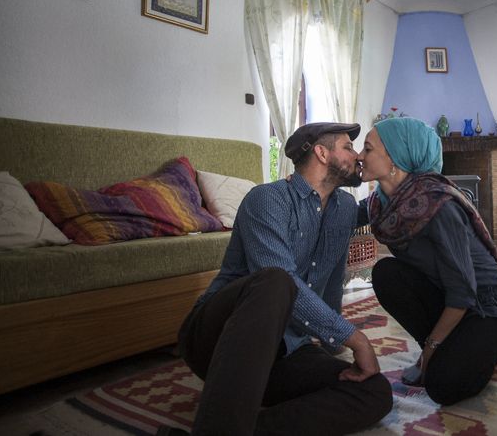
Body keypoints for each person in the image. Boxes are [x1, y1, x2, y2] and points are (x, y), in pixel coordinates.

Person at [162, 122, 392, 436]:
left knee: (374, 389)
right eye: (348, 147)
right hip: (217, 340)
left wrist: (330, 341)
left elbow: (332, 281)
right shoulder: (267, 199)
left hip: (286, 352)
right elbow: (283, 281)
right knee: (276, 281)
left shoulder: (344, 208)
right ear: (322, 153)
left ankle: (239, 429)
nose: (356, 156)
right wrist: (354, 338)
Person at [357, 117, 497, 406]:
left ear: (395, 156)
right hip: (446, 296)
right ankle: (447, 347)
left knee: (442, 387)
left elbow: (463, 292)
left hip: (483, 308)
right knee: (386, 273)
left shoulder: (437, 203)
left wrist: (429, 354)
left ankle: (473, 352)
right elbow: (342, 211)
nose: (359, 156)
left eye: (367, 149)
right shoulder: (381, 202)